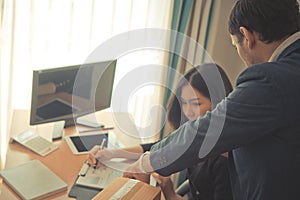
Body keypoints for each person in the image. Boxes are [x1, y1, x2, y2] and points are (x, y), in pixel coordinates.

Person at [124, 0, 300, 199]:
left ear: (246, 36)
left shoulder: (271, 79)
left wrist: (145, 164)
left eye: (235, 47)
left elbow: (208, 130)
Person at [89, 63, 234, 199]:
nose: (188, 112)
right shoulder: (193, 134)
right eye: (184, 103)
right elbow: (159, 147)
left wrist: (170, 194)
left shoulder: (224, 159)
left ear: (218, 103)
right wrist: (112, 153)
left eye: (196, 104)